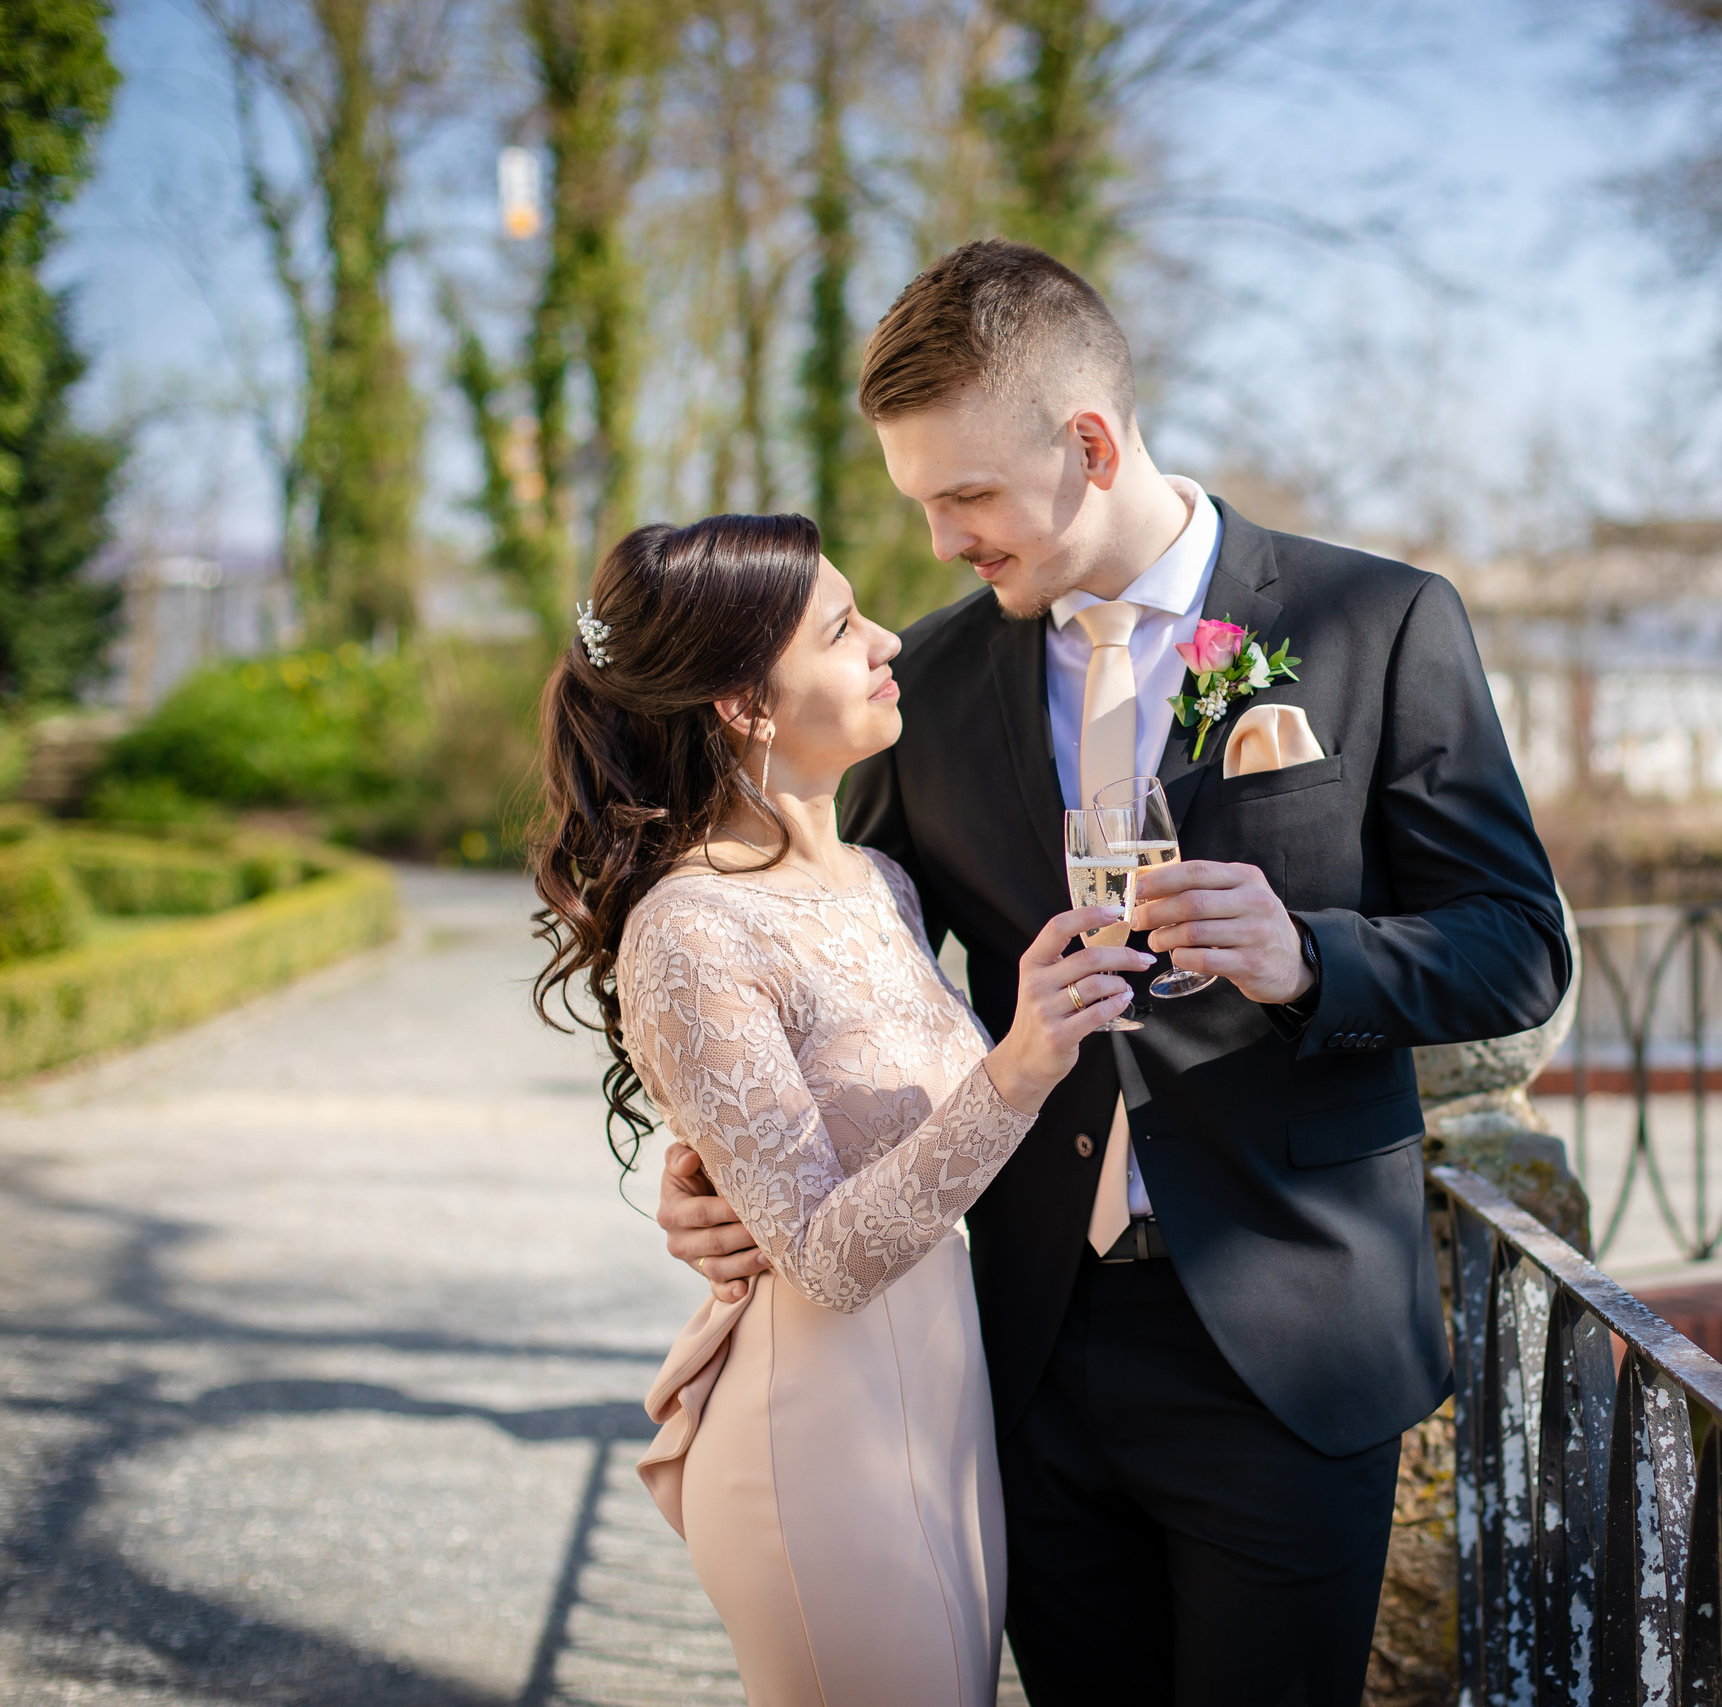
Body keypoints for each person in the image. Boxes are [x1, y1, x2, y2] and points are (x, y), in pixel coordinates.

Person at [661, 240, 1573, 1706]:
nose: (946, 540)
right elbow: (823, 933)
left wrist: (1307, 958)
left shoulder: (1374, 625)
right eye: (922, 504)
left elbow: (1518, 943)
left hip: (1290, 1345)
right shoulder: (941, 679)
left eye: (966, 496)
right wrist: (717, 1150)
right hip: (1019, 1351)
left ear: (1089, 444)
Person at [530, 511, 1149, 1707]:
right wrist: (1020, 1060)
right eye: (841, 628)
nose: (888, 641)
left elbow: (896, 1147)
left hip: (947, 1403)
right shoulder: (689, 929)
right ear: (744, 707)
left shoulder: (880, 880)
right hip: (823, 1431)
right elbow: (819, 1258)